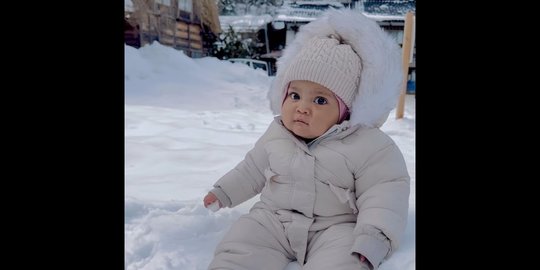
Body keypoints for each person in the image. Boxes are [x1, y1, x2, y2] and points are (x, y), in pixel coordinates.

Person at [203, 9, 410, 270]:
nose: (302, 108)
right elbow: (252, 169)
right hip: (273, 220)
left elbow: (385, 191)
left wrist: (374, 236)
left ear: (346, 110)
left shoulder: (369, 145)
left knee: (343, 259)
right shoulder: (277, 133)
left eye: (320, 100)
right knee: (243, 244)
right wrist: (223, 192)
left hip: (334, 227)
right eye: (295, 95)